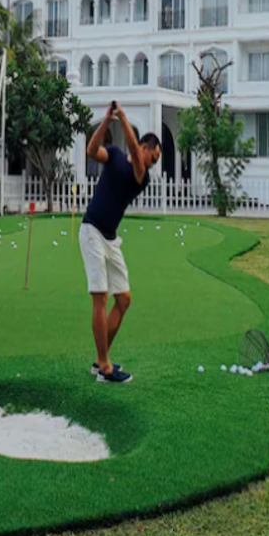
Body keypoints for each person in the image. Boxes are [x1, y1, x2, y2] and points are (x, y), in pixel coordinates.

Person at [79, 101, 162, 383]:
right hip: (91, 230)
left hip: (110, 239)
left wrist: (122, 117)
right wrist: (106, 120)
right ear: (145, 146)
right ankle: (104, 366)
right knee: (100, 298)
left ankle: (100, 358)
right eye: (154, 157)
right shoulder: (114, 155)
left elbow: (136, 158)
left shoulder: (142, 176)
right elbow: (91, 151)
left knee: (123, 299)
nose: (153, 163)